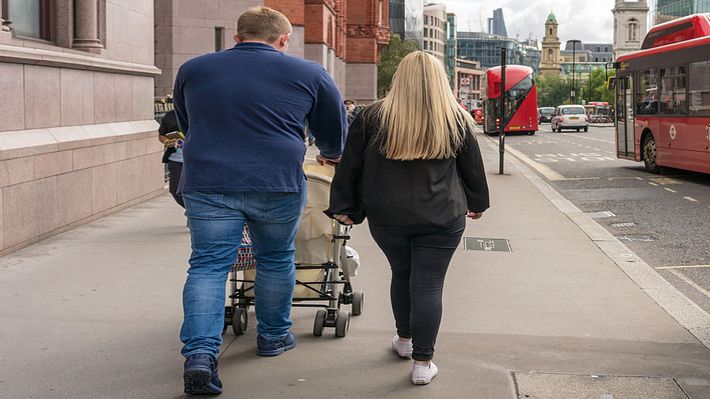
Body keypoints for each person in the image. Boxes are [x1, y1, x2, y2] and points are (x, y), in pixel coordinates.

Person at [172, 6, 346, 395]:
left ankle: (200, 355)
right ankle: (273, 337)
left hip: (208, 182)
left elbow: (186, 122)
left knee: (208, 265)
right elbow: (334, 131)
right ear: (284, 40)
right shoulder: (310, 73)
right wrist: (331, 153)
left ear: (236, 37)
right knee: (275, 257)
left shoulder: (193, 69)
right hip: (276, 181)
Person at [325, 51, 490, 386]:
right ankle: (422, 362)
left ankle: (404, 341)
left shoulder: (372, 117)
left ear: (398, 78)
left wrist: (346, 207)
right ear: (439, 80)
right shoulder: (455, 119)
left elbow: (351, 167)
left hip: (387, 216)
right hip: (442, 215)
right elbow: (472, 168)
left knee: (402, 274)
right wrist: (477, 203)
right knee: (429, 283)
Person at [158, 109, 185, 208]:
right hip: (176, 159)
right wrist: (166, 141)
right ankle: (191, 210)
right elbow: (162, 135)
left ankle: (194, 213)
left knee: (194, 191)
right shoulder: (170, 115)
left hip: (195, 160)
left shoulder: (199, 114)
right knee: (174, 190)